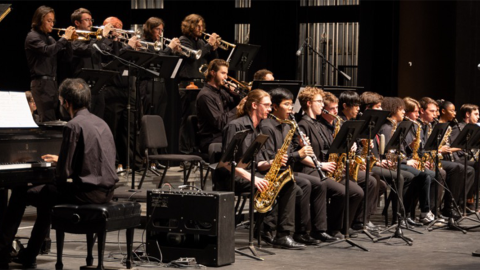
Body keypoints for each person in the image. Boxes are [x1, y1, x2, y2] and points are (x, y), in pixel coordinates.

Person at [0, 78, 118, 269]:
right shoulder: (101, 122)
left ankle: (2, 251)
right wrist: (61, 159)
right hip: (106, 191)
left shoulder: (73, 125)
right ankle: (29, 255)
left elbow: (63, 175)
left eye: (61, 100)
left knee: (21, 193)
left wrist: (56, 165)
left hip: (85, 194)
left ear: (66, 103)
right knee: (47, 196)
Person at [213, 89, 305, 249]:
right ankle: (268, 230)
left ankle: (277, 232)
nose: (270, 109)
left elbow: (258, 163)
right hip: (230, 177)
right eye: (267, 105)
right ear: (254, 105)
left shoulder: (259, 129)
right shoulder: (236, 126)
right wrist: (253, 179)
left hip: (251, 173)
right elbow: (226, 163)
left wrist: (273, 162)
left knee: (289, 184)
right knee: (278, 187)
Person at [259, 88, 339, 244]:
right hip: (272, 171)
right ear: (275, 107)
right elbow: (272, 158)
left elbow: (289, 153)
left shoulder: (287, 125)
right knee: (306, 184)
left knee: (314, 184)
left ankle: (307, 230)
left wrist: (300, 147)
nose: (291, 108)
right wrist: (299, 153)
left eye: (291, 104)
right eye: (287, 104)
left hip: (286, 168)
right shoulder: (268, 126)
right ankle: (291, 231)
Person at [298, 88, 364, 237]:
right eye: (319, 101)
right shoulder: (303, 125)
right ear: (309, 103)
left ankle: (342, 226)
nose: (322, 105)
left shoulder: (317, 124)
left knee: (357, 192)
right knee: (341, 191)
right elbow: (301, 155)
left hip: (325, 168)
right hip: (310, 169)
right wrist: (320, 165)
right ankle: (329, 229)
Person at [177, 14, 219, 154]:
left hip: (201, 84)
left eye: (202, 26)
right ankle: (185, 152)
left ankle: (196, 150)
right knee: (187, 119)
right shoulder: (183, 40)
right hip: (188, 85)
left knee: (198, 120)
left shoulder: (201, 42)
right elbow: (194, 57)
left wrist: (214, 49)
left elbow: (213, 62)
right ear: (189, 26)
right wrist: (208, 45)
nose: (200, 28)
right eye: (197, 26)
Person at [25, 5, 75, 122]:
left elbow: (66, 58)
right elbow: (47, 51)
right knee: (47, 120)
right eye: (49, 21)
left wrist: (68, 42)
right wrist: (64, 39)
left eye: (53, 21)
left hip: (52, 84)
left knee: (55, 119)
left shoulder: (51, 39)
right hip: (41, 84)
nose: (52, 24)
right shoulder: (32, 37)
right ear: (39, 20)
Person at [138, 17, 181, 119]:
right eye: (158, 29)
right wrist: (169, 48)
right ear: (149, 29)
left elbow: (163, 63)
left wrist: (174, 51)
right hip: (148, 83)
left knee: (159, 116)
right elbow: (155, 59)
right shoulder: (143, 43)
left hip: (160, 84)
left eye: (162, 30)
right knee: (149, 116)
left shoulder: (157, 45)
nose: (160, 33)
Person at [196, 59, 241, 154]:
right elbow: (220, 123)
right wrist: (239, 107)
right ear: (213, 73)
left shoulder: (223, 91)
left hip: (225, 134)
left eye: (226, 73)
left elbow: (234, 106)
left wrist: (235, 94)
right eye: (223, 73)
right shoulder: (205, 96)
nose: (226, 77)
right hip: (212, 139)